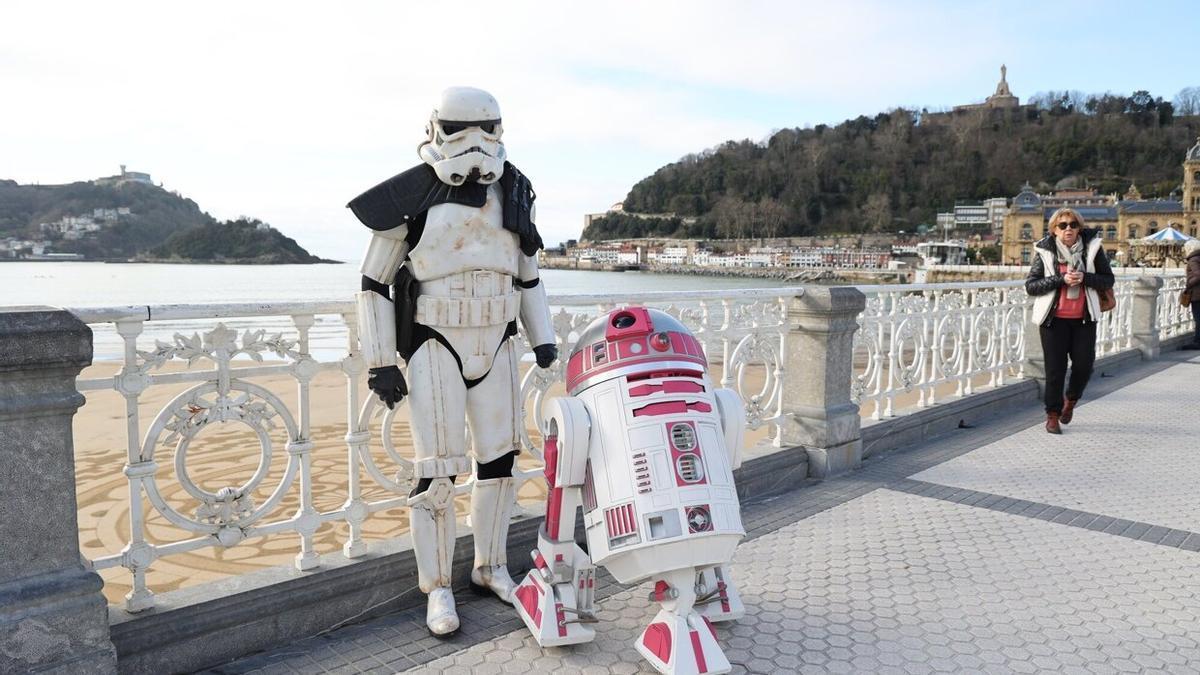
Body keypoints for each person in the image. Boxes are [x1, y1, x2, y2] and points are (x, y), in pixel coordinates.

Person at [349, 87, 557, 635]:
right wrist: (380, 360)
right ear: (437, 129)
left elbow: (529, 272)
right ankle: (437, 586)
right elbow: (372, 284)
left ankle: (491, 567)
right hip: (434, 340)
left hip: (498, 338)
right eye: (463, 130)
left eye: (488, 130)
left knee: (500, 462)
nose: (477, 143)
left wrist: (544, 338)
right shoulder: (410, 197)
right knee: (437, 469)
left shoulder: (516, 191)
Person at [1024, 207, 1115, 434]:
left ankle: (1071, 401)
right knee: (1055, 370)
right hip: (1053, 321)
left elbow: (1108, 280)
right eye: (1062, 225)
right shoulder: (1045, 251)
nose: (1068, 229)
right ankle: (1052, 415)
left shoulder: (1092, 250)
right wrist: (1061, 280)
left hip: (1084, 319)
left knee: (1084, 366)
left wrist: (1085, 278)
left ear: (1079, 228)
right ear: (1054, 229)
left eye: (1073, 225)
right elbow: (1031, 286)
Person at [1184, 239, 1200, 350]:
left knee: (1198, 317)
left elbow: (1198, 275)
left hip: (1197, 293)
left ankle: (1197, 342)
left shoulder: (1193, 259)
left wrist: (1189, 284)